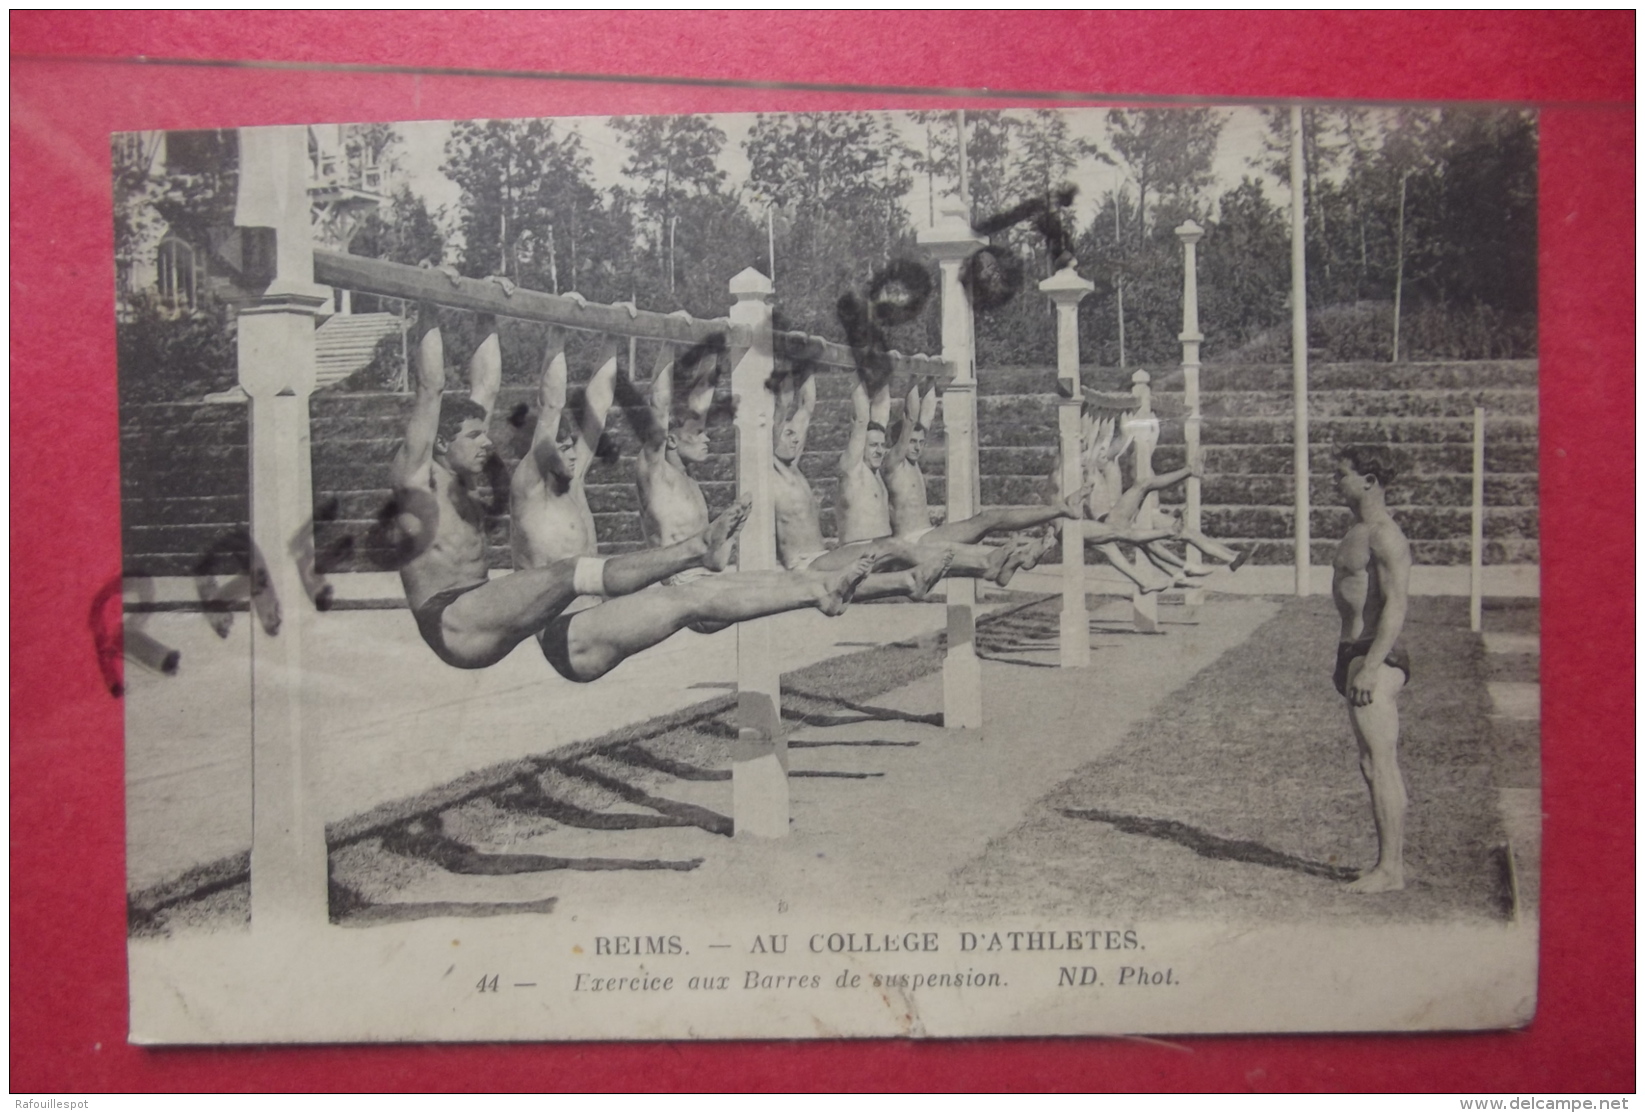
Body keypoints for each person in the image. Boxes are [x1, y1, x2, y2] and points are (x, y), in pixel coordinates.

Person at [394, 306, 872, 682]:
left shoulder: (546, 478)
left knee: (690, 600)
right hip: (452, 620)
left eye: (484, 435)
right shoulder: (422, 478)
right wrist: (431, 306)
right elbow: (436, 388)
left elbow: (502, 389)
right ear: (438, 442)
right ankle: (693, 550)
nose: (486, 444)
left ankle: (817, 591)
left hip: (568, 632)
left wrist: (492, 317)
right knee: (568, 573)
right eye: (474, 437)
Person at [772, 366, 1065, 588]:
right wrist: (856, 369)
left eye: (880, 444)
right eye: (872, 445)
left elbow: (807, 408)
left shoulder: (800, 467)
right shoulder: (851, 468)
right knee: (907, 548)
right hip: (820, 561)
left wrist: (807, 365)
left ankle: (994, 562)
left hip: (876, 547)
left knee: (954, 536)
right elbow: (863, 418)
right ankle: (993, 559)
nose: (878, 449)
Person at [1330, 445, 1413, 893]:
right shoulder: (1359, 528)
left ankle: (1391, 871)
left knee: (1381, 763)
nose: (1334, 482)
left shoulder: (1384, 534)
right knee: (1370, 763)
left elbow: (1396, 606)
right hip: (1356, 654)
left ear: (1368, 480)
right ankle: (1390, 862)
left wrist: (1370, 666)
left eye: (1341, 474)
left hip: (1374, 657)